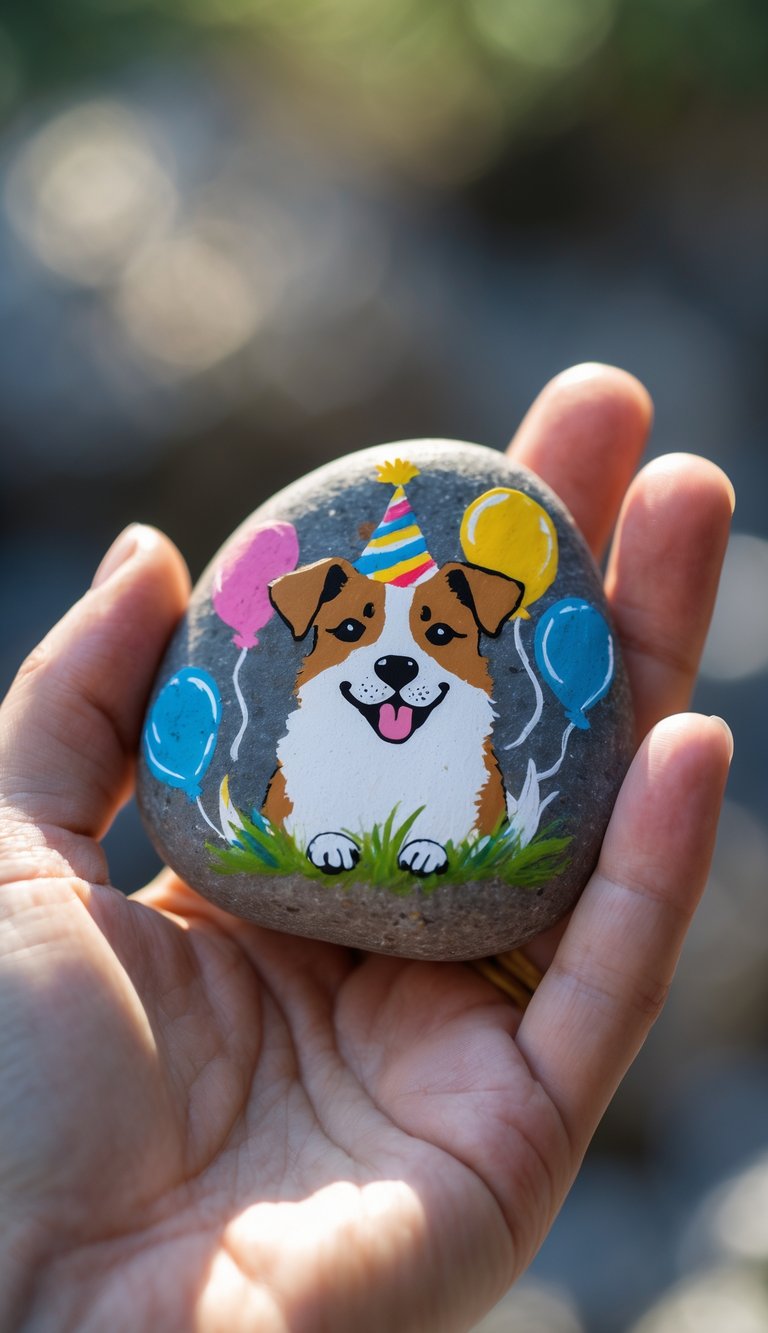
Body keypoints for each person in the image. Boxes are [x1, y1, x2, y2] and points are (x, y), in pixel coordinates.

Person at [0, 364, 733, 1332]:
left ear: (474, 640)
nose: (397, 657)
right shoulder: (308, 745)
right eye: (355, 633)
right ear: (315, 635)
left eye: (436, 635)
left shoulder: (467, 744)